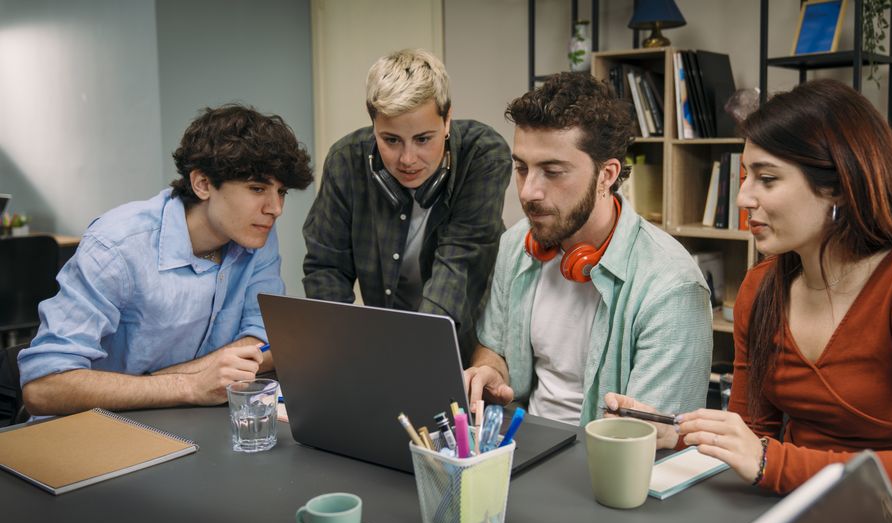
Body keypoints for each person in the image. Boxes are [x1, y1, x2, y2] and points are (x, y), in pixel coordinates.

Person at [607, 79, 892, 520]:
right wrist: (674, 433)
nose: (743, 198)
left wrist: (774, 462)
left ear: (837, 185)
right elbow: (752, 437)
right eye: (744, 177)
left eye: (767, 179)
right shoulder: (760, 290)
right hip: (796, 519)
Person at [19, 104, 313, 416]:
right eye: (257, 188)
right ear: (202, 184)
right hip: (94, 428)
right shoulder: (117, 245)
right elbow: (43, 385)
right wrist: (189, 384)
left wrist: (194, 376)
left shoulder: (255, 235)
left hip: (184, 421)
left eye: (281, 192)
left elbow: (265, 339)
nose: (275, 209)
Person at [465, 72, 713, 427]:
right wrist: (489, 371)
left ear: (607, 175)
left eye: (552, 171)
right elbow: (494, 348)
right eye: (521, 168)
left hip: (605, 467)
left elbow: (650, 440)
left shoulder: (672, 286)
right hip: (521, 444)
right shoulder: (516, 245)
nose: (527, 192)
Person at [302, 49, 510, 362]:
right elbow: (326, 267)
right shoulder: (345, 160)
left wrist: (410, 355)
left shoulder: (482, 155)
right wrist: (343, 349)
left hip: (470, 347)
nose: (408, 159)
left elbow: (459, 263)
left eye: (424, 139)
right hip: (388, 347)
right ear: (373, 125)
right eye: (391, 140)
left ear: (447, 119)